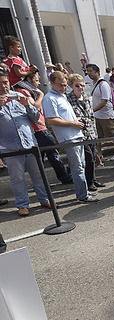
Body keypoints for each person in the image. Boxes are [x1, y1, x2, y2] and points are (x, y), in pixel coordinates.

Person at [0, 70, 51, 216]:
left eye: (5, 82)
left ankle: (44, 199)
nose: (3, 86)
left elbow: (35, 117)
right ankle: (22, 205)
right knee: (17, 178)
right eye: (0, 83)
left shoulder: (19, 96)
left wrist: (28, 105)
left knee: (38, 174)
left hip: (30, 145)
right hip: (11, 148)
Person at [42, 71, 98, 203]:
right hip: (68, 138)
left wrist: (76, 119)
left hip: (77, 135)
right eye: (60, 85)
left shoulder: (61, 96)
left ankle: (83, 191)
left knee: (81, 166)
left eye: (65, 85)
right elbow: (50, 120)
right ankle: (82, 195)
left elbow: (64, 117)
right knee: (78, 167)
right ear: (52, 83)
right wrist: (72, 123)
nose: (63, 88)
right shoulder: (49, 98)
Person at [17, 68, 71, 184]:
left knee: (44, 157)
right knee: (50, 154)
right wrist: (41, 95)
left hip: (40, 128)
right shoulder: (23, 91)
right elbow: (35, 107)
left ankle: (45, 182)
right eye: (36, 80)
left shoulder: (30, 90)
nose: (39, 83)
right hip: (37, 129)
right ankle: (60, 178)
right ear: (29, 79)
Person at [66, 73, 103, 193]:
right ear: (71, 86)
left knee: (92, 156)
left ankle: (93, 178)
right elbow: (71, 116)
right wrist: (81, 119)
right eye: (77, 85)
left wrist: (94, 133)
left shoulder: (87, 97)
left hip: (90, 132)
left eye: (82, 85)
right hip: (79, 133)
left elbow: (91, 116)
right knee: (88, 158)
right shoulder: (68, 99)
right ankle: (89, 181)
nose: (80, 88)